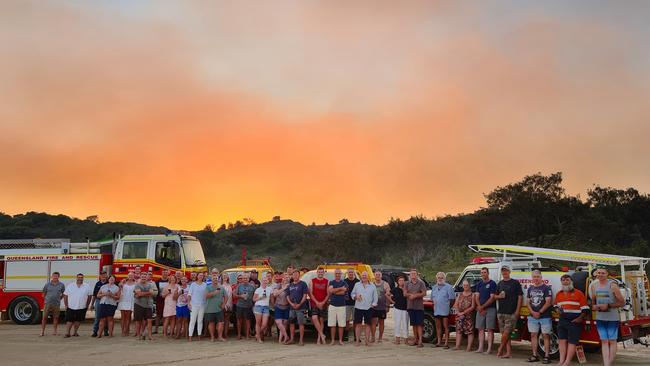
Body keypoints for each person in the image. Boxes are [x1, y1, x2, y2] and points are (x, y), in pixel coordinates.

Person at [589, 267, 625, 366]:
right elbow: (593, 301)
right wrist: (594, 306)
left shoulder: (612, 285)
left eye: (603, 273)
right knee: (604, 341)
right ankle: (606, 363)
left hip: (612, 318)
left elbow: (622, 302)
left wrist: (608, 305)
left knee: (612, 340)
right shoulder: (594, 286)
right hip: (600, 317)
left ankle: (608, 363)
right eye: (599, 273)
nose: (600, 274)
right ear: (596, 274)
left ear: (607, 274)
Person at [555, 275, 589, 366]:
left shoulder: (579, 293)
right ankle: (561, 361)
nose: (565, 281)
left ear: (571, 281)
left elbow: (585, 309)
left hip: (574, 321)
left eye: (567, 280)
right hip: (562, 320)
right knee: (562, 340)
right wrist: (558, 310)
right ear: (561, 282)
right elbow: (556, 306)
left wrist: (579, 319)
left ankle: (567, 362)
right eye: (563, 280)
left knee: (572, 342)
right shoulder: (559, 294)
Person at [495, 265, 523, 358]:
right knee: (505, 334)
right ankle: (508, 353)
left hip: (511, 312)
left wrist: (517, 310)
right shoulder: (500, 283)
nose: (504, 272)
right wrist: (499, 296)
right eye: (503, 271)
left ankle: (500, 348)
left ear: (509, 272)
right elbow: (494, 296)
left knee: (507, 332)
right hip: (501, 312)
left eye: (506, 271)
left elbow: (520, 297)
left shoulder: (515, 283)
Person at [527, 270, 553, 363]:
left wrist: (539, 312)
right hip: (532, 316)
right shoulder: (530, 288)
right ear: (532, 278)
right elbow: (528, 302)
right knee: (533, 335)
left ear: (541, 277)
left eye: (537, 276)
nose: (536, 278)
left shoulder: (546, 288)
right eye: (534, 277)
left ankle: (546, 356)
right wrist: (532, 312)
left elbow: (548, 302)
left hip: (545, 316)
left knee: (545, 335)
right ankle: (534, 355)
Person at [474, 267, 498, 354]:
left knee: (489, 329)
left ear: (488, 273)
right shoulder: (479, 284)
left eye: (484, 272)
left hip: (490, 308)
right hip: (480, 309)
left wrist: (482, 307)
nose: (483, 274)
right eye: (482, 272)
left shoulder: (492, 283)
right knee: (480, 329)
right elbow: (476, 297)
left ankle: (489, 349)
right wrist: (479, 307)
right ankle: (480, 348)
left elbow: (492, 298)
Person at [351, 271, 377, 347]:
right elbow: (352, 294)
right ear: (361, 277)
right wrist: (356, 297)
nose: (364, 277)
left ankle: (367, 341)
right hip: (358, 307)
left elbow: (375, 298)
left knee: (368, 325)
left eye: (365, 275)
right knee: (358, 324)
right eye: (362, 276)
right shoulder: (357, 284)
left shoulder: (372, 285)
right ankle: (357, 341)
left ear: (368, 276)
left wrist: (373, 305)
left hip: (368, 308)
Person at [431, 271, 455, 348]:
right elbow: (432, 298)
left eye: (442, 278)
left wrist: (448, 306)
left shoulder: (449, 287)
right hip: (437, 310)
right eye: (439, 278)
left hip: (445, 310)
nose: (440, 279)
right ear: (436, 278)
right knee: (438, 327)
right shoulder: (434, 287)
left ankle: (446, 343)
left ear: (444, 278)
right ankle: (438, 342)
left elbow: (452, 299)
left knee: (446, 327)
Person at [63, 273, 92, 338]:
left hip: (81, 306)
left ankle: (75, 332)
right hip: (71, 306)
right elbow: (65, 295)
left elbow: (90, 296)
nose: (80, 278)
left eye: (81, 277)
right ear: (76, 278)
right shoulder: (70, 285)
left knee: (78, 320)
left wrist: (87, 305)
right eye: (79, 277)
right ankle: (67, 333)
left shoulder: (87, 286)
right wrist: (66, 304)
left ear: (83, 278)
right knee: (69, 320)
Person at [405, 269, 427, 347]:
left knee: (419, 324)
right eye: (412, 274)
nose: (413, 275)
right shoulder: (407, 283)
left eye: (414, 273)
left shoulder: (421, 283)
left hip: (419, 307)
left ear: (417, 275)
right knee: (413, 324)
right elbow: (404, 293)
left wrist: (416, 295)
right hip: (410, 306)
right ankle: (416, 339)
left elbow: (424, 293)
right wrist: (410, 295)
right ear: (410, 275)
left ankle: (420, 340)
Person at [286, 270, 309, 345]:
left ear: (299, 276)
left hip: (302, 307)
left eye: (296, 275)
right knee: (291, 323)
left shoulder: (303, 284)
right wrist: (291, 304)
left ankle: (301, 340)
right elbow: (287, 296)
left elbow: (305, 295)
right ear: (292, 276)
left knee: (301, 323)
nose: (295, 276)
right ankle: (292, 339)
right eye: (294, 275)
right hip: (292, 308)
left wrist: (299, 304)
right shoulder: (290, 285)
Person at [133, 272, 158, 340]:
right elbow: (139, 294)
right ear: (140, 277)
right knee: (138, 321)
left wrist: (141, 293)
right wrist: (148, 293)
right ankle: (139, 336)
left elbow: (150, 293)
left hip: (148, 305)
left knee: (149, 321)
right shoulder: (137, 285)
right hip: (138, 304)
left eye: (145, 277)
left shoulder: (150, 285)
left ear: (147, 277)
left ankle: (150, 336)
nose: (143, 278)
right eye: (142, 277)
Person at [328, 269, 349, 345]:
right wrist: (340, 288)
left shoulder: (344, 283)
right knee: (332, 324)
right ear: (334, 274)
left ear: (341, 274)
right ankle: (333, 340)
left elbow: (343, 292)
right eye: (336, 273)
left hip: (342, 306)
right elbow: (330, 291)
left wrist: (334, 291)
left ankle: (340, 340)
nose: (337, 275)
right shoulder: (331, 282)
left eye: (339, 273)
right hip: (332, 305)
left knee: (341, 324)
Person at [41, 271, 65, 336]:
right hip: (47, 304)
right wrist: (46, 299)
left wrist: (60, 299)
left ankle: (55, 332)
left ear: (58, 277)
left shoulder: (61, 285)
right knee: (44, 318)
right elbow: (43, 293)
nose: (55, 277)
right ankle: (42, 332)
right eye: (54, 276)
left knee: (56, 318)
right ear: (52, 276)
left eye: (56, 276)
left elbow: (64, 293)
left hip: (56, 304)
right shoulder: (47, 284)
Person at [309, 268, 329, 344]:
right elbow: (311, 293)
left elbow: (328, 294)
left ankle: (319, 338)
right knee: (314, 318)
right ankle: (322, 335)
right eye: (319, 272)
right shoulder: (312, 281)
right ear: (317, 272)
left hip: (323, 304)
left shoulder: (327, 281)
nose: (320, 273)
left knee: (321, 321)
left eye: (322, 272)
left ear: (323, 273)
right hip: (314, 303)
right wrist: (317, 302)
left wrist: (323, 302)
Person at [453, 280, 475, 351]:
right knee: (458, 330)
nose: (465, 286)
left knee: (470, 331)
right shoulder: (460, 294)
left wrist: (464, 312)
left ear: (469, 286)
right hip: (460, 315)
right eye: (464, 285)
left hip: (469, 316)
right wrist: (458, 312)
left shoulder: (472, 295)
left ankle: (469, 347)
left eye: (467, 285)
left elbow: (473, 306)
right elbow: (455, 304)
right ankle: (457, 346)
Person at [370, 270, 391, 343]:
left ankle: (380, 338)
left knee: (381, 323)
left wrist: (388, 306)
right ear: (374, 276)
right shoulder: (371, 284)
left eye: (379, 275)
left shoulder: (385, 284)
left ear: (381, 276)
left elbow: (388, 295)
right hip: (374, 307)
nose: (378, 276)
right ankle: (373, 337)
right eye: (376, 275)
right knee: (373, 323)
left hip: (382, 307)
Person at [205, 271, 226, 342]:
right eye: (214, 279)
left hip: (219, 309)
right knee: (211, 323)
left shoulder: (222, 287)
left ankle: (220, 337)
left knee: (221, 322)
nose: (215, 280)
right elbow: (206, 296)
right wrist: (214, 293)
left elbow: (226, 296)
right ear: (211, 280)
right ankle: (212, 337)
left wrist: (224, 304)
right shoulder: (208, 287)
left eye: (216, 279)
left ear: (218, 279)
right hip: (210, 309)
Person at [235, 273, 256, 340]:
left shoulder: (252, 286)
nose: (245, 279)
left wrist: (254, 304)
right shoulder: (239, 286)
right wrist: (240, 296)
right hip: (240, 305)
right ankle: (239, 334)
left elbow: (255, 295)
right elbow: (234, 295)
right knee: (239, 320)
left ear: (248, 279)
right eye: (243, 278)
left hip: (248, 306)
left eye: (246, 278)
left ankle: (247, 335)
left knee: (247, 321)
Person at [187, 272, 207, 341]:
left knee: (200, 321)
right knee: (192, 321)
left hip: (202, 305)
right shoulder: (193, 284)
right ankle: (190, 336)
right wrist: (188, 303)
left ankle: (199, 335)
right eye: (200, 275)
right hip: (194, 305)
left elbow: (206, 295)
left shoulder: (205, 285)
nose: (201, 276)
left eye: (202, 275)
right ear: (197, 276)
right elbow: (189, 294)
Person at [389, 275, 409, 345]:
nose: (401, 282)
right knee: (397, 324)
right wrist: (392, 301)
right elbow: (387, 294)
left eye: (403, 280)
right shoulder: (395, 289)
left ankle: (406, 339)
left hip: (406, 309)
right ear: (397, 282)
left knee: (405, 324)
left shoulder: (407, 289)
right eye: (400, 280)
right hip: (397, 308)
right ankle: (397, 339)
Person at [272, 273, 291, 344]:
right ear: (282, 278)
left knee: (284, 324)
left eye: (288, 277)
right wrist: (283, 288)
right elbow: (275, 294)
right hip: (278, 306)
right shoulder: (279, 285)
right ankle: (286, 336)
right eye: (285, 277)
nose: (286, 278)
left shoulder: (291, 286)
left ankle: (281, 340)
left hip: (287, 307)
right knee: (278, 323)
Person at [253, 277, 273, 343]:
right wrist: (260, 297)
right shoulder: (258, 289)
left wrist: (274, 305)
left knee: (264, 324)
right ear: (261, 281)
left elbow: (272, 298)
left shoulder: (270, 289)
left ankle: (257, 334)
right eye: (263, 280)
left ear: (267, 281)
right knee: (258, 323)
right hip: (258, 306)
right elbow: (253, 299)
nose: (264, 281)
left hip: (266, 307)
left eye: (266, 280)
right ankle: (259, 338)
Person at [118, 271, 136, 336]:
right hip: (123, 300)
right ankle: (123, 331)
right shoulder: (123, 282)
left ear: (133, 276)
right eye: (129, 275)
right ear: (127, 276)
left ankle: (127, 331)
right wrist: (122, 282)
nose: (130, 277)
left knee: (128, 317)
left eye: (132, 275)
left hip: (130, 301)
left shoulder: (135, 283)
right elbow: (119, 286)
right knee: (123, 317)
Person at [344, 268, 360, 342]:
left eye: (352, 272)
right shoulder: (344, 281)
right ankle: (346, 335)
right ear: (347, 273)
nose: (350, 273)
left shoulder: (358, 282)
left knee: (355, 320)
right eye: (349, 272)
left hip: (356, 304)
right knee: (346, 320)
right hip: (346, 303)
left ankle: (355, 336)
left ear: (354, 273)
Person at [90, 271, 108, 337]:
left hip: (106, 301)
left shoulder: (108, 283)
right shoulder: (97, 283)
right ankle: (95, 331)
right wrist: (92, 304)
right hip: (98, 301)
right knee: (97, 317)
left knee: (105, 317)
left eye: (105, 275)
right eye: (102, 275)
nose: (103, 277)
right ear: (100, 276)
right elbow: (94, 295)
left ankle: (106, 331)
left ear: (106, 276)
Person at [154, 269, 170, 335]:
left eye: (166, 273)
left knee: (166, 316)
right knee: (158, 315)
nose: (165, 274)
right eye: (164, 273)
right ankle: (156, 330)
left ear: (168, 273)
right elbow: (156, 291)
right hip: (159, 300)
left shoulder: (169, 281)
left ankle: (164, 330)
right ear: (162, 273)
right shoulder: (157, 281)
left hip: (168, 300)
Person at [222, 274, 233, 339]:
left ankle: (226, 334)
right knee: (222, 320)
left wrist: (229, 304)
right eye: (224, 276)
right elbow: (221, 297)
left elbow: (230, 296)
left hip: (229, 304)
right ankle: (221, 334)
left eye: (226, 276)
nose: (225, 277)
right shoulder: (220, 286)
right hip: (223, 304)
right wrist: (224, 304)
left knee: (227, 320)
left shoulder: (230, 285)